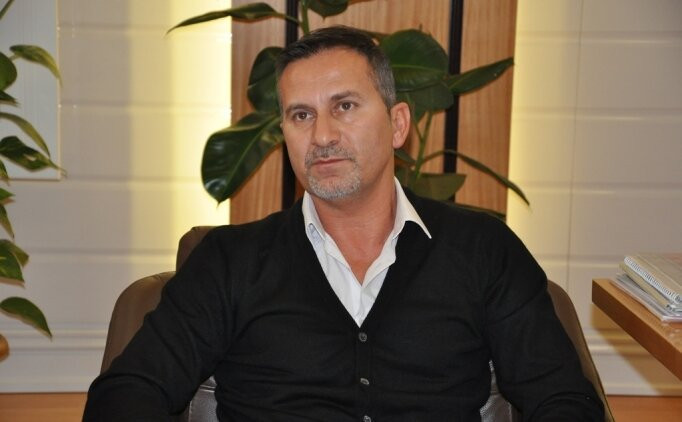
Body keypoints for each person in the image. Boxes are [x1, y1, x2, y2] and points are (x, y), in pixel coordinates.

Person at [84, 26, 604, 421]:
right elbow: (129, 392)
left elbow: (563, 400)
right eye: (301, 115)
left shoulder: (483, 250)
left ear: (397, 124)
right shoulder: (228, 261)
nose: (322, 135)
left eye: (345, 106)